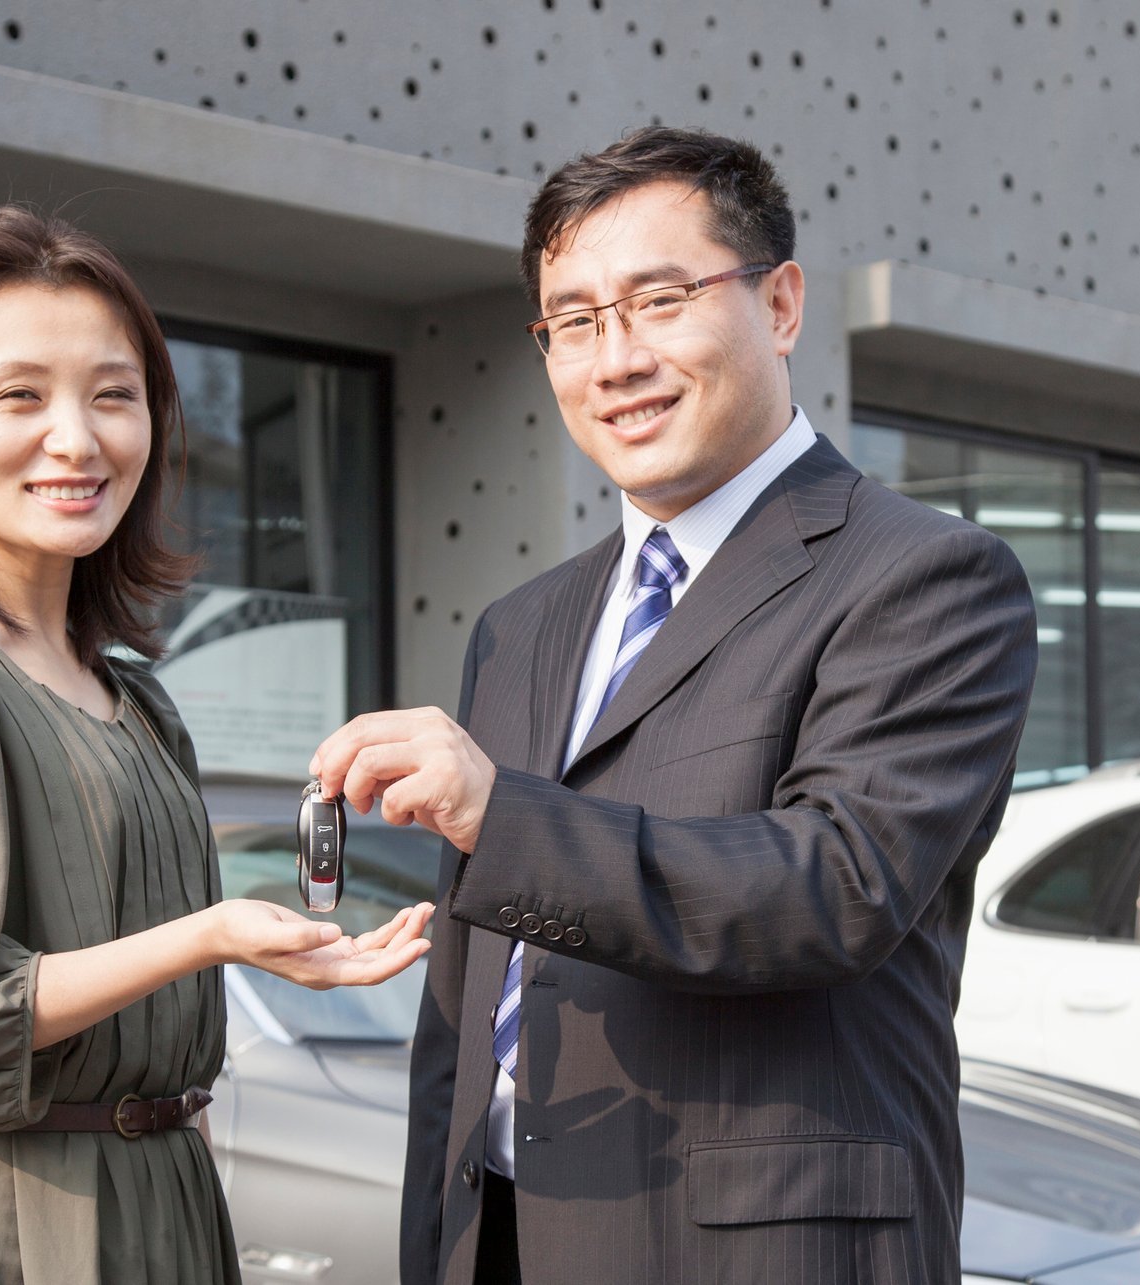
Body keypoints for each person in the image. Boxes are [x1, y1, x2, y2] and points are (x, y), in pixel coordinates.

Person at [310, 128, 1038, 1285]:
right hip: (500, 1229)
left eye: (658, 300)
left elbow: (836, 886)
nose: (615, 359)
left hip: (753, 1247)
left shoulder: (926, 577)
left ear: (782, 303)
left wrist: (502, 815)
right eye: (574, 321)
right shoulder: (522, 622)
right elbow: (469, 989)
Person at [0, 205, 431, 1285]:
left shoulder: (133, 696)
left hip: (165, 1203)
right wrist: (213, 934)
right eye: (19, 396)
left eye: (114, 395)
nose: (77, 438)